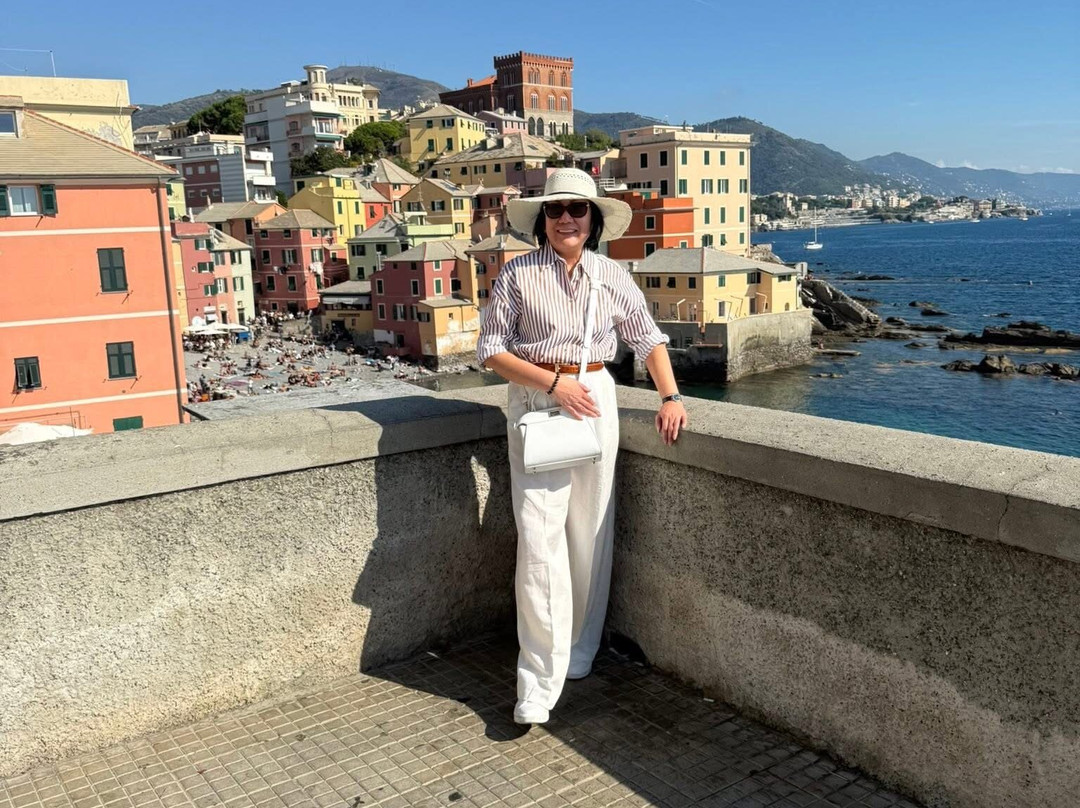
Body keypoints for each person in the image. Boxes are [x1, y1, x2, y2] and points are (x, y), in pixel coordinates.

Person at [476, 168, 688, 726]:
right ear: (542, 219)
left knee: (591, 530)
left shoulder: (611, 275)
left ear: (592, 218)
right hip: (539, 397)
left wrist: (670, 396)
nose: (566, 218)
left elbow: (648, 338)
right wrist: (553, 384)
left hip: (595, 394)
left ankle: (579, 650)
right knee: (538, 538)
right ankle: (536, 680)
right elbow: (491, 350)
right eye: (555, 209)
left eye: (577, 208)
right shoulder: (518, 274)